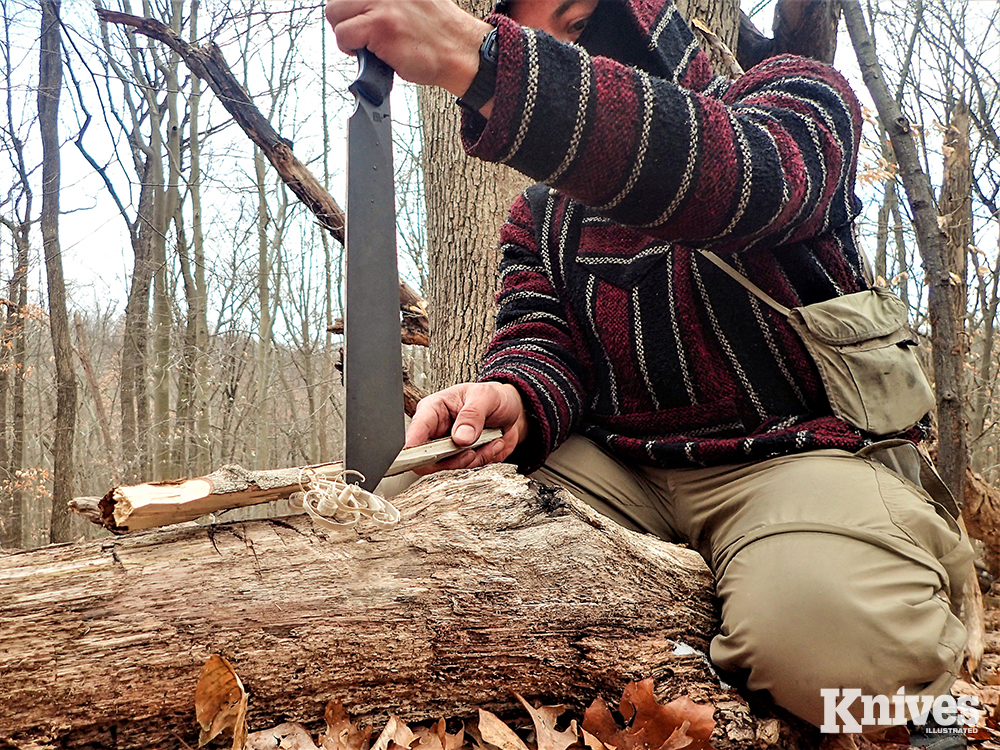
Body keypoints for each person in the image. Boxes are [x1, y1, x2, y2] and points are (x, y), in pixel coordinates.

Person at [326, 0, 975, 741]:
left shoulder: (799, 98)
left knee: (833, 647)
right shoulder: (538, 216)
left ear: (648, 20)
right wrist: (511, 395)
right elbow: (541, 341)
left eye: (576, 27)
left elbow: (741, 182)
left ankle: (931, 704)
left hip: (792, 455)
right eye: (536, 42)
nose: (560, 56)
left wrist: (488, 62)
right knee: (407, 501)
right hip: (618, 469)